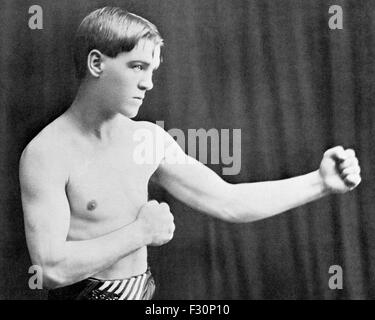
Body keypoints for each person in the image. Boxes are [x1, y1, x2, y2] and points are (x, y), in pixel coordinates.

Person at [19, 7, 361, 300]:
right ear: (97, 62)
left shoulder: (148, 140)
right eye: (137, 66)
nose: (148, 83)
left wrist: (320, 183)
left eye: (152, 70)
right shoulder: (47, 153)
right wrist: (139, 234)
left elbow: (229, 201)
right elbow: (50, 268)